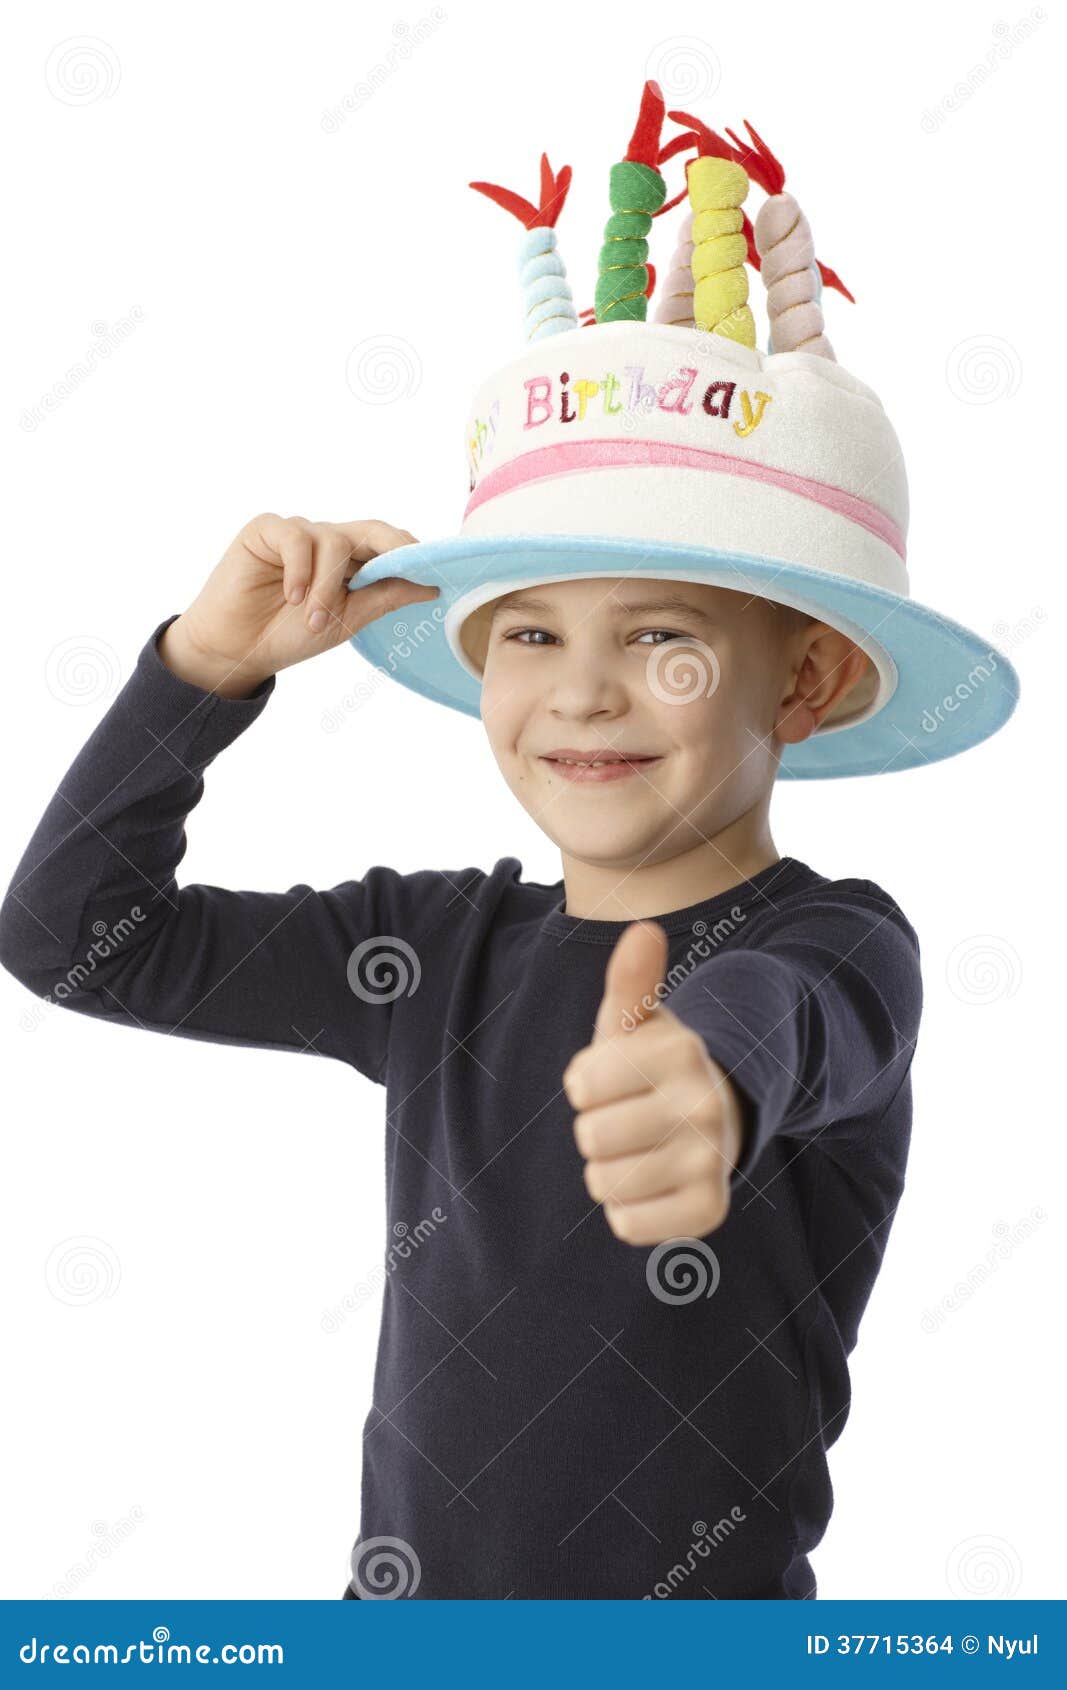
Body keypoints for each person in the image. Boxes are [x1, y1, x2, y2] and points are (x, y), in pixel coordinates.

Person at [0, 83, 1019, 1601]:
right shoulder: (430, 952)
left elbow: (782, 1027)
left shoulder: (838, 947)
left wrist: (707, 1084)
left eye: (661, 633)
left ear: (801, 679)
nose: (583, 690)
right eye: (531, 631)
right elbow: (79, 935)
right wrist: (199, 676)